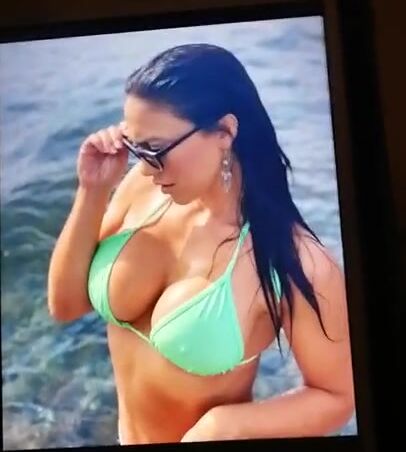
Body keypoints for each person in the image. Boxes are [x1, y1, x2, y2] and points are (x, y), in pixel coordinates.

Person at [47, 43, 355, 445]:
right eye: (137, 148)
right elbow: (66, 306)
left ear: (225, 131)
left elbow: (337, 396)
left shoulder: (296, 260)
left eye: (156, 149)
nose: (146, 167)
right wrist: (93, 190)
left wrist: (226, 426)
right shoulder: (141, 187)